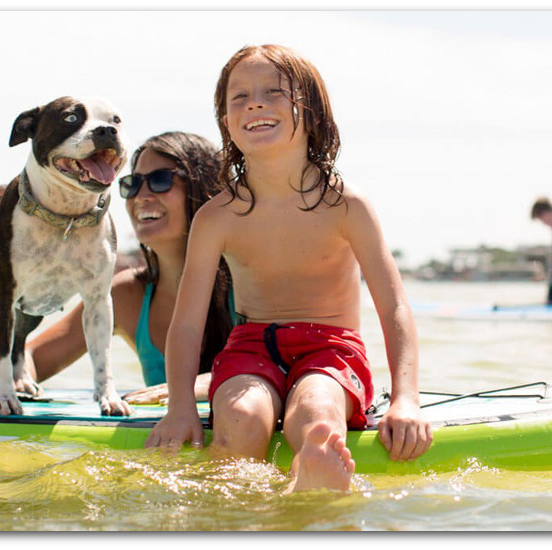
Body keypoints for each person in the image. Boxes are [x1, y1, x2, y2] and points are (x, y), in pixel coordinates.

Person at [145, 44, 433, 491]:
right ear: (226, 121)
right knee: (240, 417)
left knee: (316, 412)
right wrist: (180, 406)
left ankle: (312, 477)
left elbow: (393, 307)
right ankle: (242, 506)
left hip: (332, 348)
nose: (254, 103)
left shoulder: (346, 204)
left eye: (273, 92)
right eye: (238, 97)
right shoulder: (216, 217)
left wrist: (407, 401)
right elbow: (186, 324)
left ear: (312, 112)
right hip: (251, 345)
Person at [0, 131, 235, 405]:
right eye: (131, 185)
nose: (141, 196)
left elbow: (278, 363)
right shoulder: (126, 294)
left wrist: (205, 382)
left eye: (160, 181)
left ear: (207, 188)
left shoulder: (248, 280)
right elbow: (33, 358)